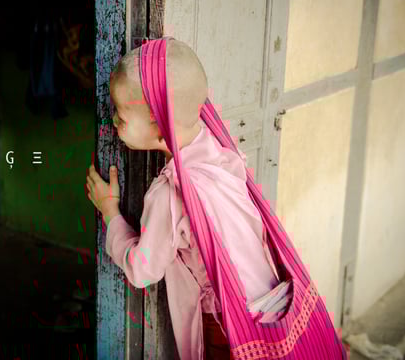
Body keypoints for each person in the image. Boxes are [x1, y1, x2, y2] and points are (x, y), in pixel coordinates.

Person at [86, 39, 289, 360]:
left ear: (160, 124)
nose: (112, 122)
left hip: (231, 329)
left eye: (121, 118)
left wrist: (110, 211)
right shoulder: (220, 149)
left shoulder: (170, 194)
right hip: (273, 302)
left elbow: (142, 269)